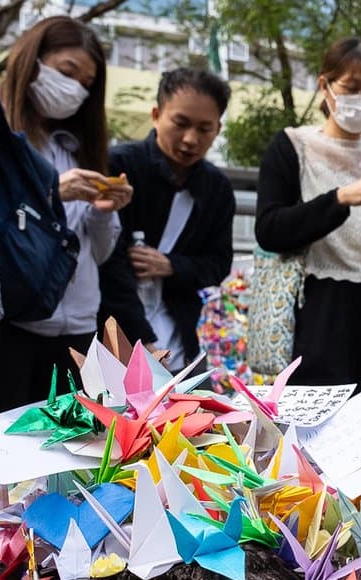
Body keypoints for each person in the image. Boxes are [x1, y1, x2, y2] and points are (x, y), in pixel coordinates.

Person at [255, 37, 361, 405]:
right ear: (325, 85)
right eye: (352, 88)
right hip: (320, 312)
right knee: (318, 434)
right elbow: (269, 229)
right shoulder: (293, 145)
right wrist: (339, 199)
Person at [0, 16, 133, 414]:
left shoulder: (80, 147)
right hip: (11, 321)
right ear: (33, 60)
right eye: (67, 72)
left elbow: (97, 253)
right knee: (2, 445)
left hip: (78, 324)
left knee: (69, 451)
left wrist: (103, 209)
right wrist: (52, 193)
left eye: (86, 84)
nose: (75, 90)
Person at [97, 68, 234, 372]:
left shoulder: (218, 189)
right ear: (156, 114)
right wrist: (138, 337)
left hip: (181, 338)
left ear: (218, 129)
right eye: (181, 123)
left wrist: (172, 265)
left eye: (204, 129)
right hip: (112, 334)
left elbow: (219, 262)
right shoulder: (118, 166)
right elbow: (105, 262)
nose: (190, 139)